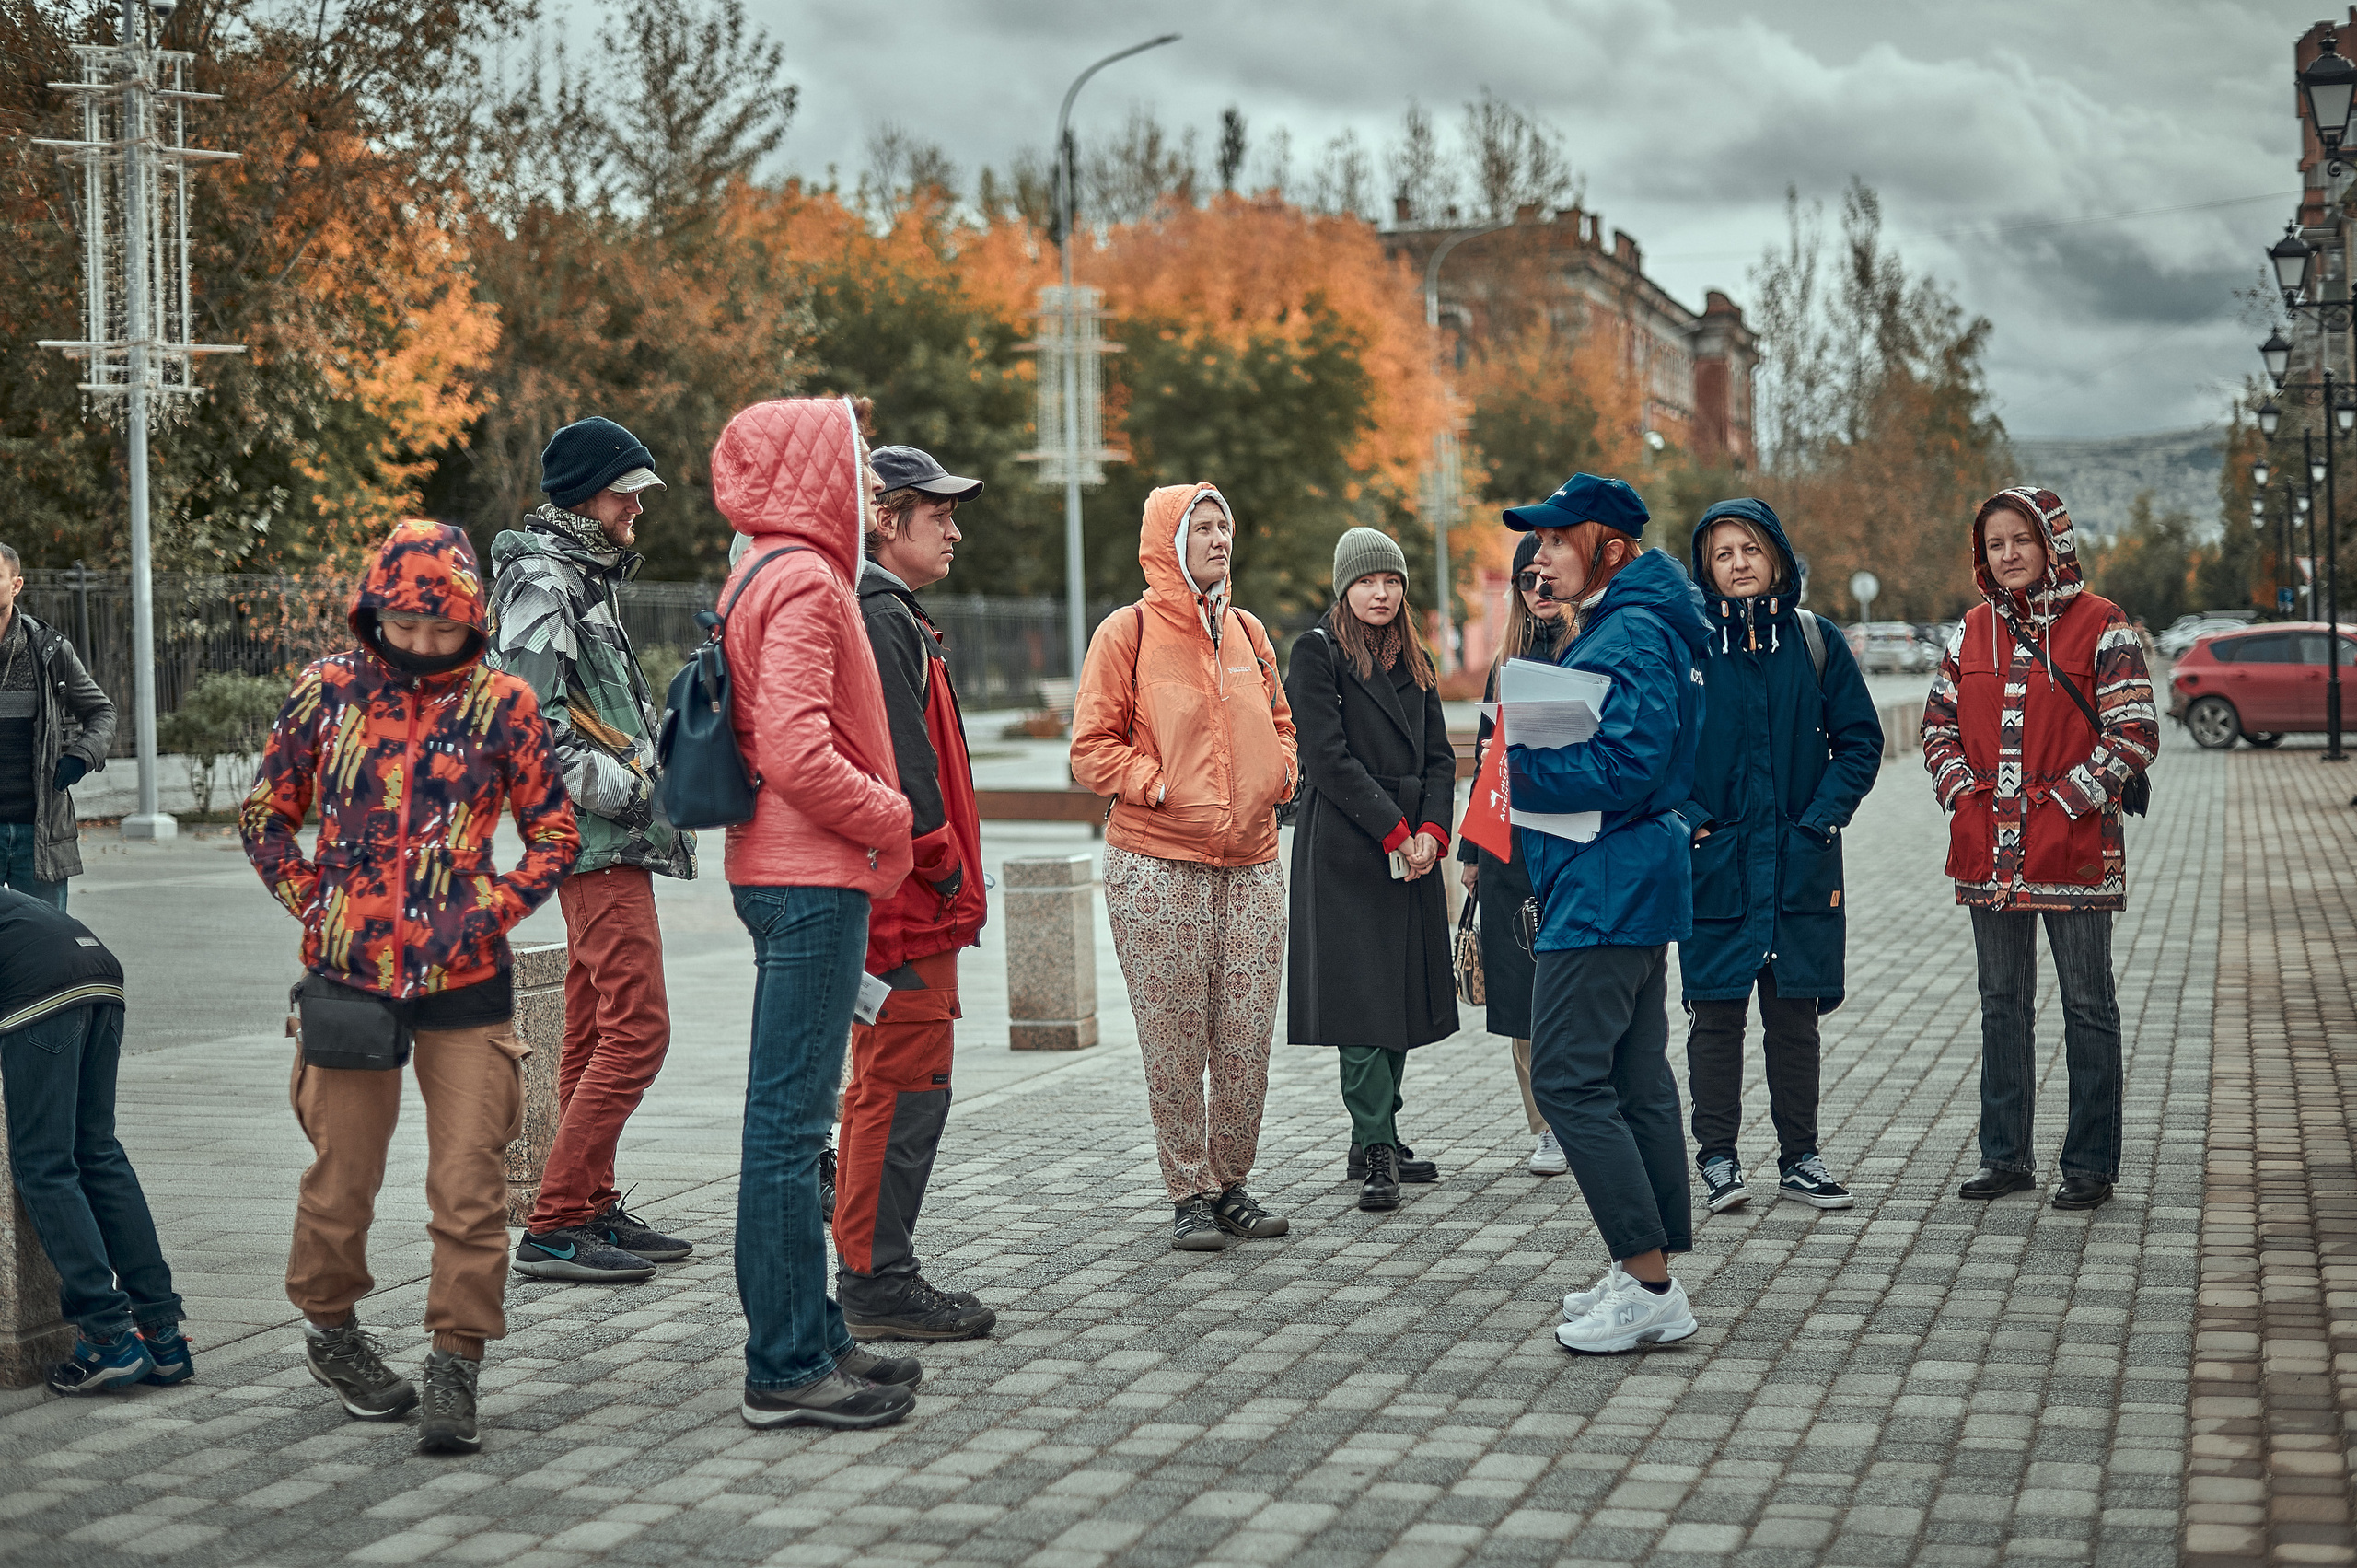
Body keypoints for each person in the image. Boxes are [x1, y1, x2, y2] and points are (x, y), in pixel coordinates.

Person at [241, 519, 582, 1455]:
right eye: (403, 623)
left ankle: (455, 1360)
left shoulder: (503, 703)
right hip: (349, 975)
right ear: (373, 610)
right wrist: (318, 906)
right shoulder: (326, 692)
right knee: (341, 1173)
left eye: (444, 627)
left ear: (473, 618)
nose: (423, 642)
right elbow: (265, 814)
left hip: (465, 977)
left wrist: (488, 910)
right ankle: (332, 1329)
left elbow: (555, 833)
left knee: (469, 1179)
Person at [709, 396, 923, 1431]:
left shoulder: (762, 564)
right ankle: (786, 1363)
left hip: (790, 873)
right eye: (857, 462)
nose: (870, 487)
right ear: (819, 470)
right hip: (809, 879)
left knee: (793, 1120)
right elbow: (796, 749)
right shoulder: (799, 578)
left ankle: (817, 1334)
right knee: (789, 1127)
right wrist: (893, 814)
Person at [1502, 474, 1710, 1355]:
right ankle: (1646, 1269)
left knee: (1566, 1080)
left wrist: (1519, 767)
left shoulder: (1629, 632)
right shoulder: (1626, 623)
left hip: (1607, 883)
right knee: (1632, 1079)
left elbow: (1629, 766)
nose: (1541, 554)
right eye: (1538, 541)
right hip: (1616, 876)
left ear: (1610, 549)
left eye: (1556, 539)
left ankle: (1651, 1281)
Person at [489, 417, 698, 1284]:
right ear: (585, 493)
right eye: (627, 492)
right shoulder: (544, 581)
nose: (639, 507)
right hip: (596, 839)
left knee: (591, 1032)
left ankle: (588, 1204)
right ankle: (555, 1224)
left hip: (608, 840)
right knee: (639, 1032)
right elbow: (524, 730)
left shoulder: (584, 573)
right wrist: (639, 793)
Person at [1071, 484, 1298, 1253]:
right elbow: (1090, 746)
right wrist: (1157, 784)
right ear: (1168, 539)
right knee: (1174, 1036)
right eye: (1201, 527)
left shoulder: (1248, 631)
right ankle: (1187, 1191)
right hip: (1157, 863)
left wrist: (1281, 775)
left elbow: (1280, 722)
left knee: (1245, 1035)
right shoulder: (1126, 633)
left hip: (1253, 863)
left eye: (1224, 525)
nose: (1217, 538)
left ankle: (1232, 1183)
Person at [1922, 485, 2155, 1212]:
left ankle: (2090, 1162)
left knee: (2088, 1003)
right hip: (1988, 853)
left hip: (2075, 849)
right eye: (1995, 544)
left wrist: (2062, 802)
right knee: (2002, 1001)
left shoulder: (2103, 625)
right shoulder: (1969, 631)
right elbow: (1938, 727)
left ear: (2051, 541)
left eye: (2020, 539)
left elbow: (2135, 733)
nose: (2009, 555)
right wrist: (1963, 795)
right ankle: (2005, 1156)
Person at [1678, 500, 1884, 1214]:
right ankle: (1717, 1157)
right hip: (1718, 865)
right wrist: (1695, 822)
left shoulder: (1814, 641)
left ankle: (1801, 1156)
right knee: (1716, 1017)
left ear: (1777, 558)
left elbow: (1860, 740)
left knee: (1794, 1017)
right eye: (1723, 552)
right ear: (1707, 566)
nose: (1738, 563)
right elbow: (1658, 747)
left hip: (1799, 862)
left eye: (1750, 549)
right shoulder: (1690, 645)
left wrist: (1820, 820)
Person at [839, 444, 993, 1342]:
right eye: (937, 514)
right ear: (885, 518)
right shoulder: (880, 612)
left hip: (899, 898)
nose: (954, 528)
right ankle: (876, 1280)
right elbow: (904, 764)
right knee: (905, 1085)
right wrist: (939, 864)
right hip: (905, 901)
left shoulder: (886, 609)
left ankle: (872, 1268)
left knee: (886, 1085)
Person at [1286, 527, 1459, 1213]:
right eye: (1366, 581)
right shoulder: (1317, 651)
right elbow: (1326, 758)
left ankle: (1375, 1131)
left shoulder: (1415, 659)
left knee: (1398, 994)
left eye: (1390, 581)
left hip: (1411, 849)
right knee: (1363, 1002)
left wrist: (1431, 834)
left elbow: (1442, 757)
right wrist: (1394, 829)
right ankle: (1377, 1146)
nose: (1380, 592)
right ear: (1344, 588)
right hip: (1349, 849)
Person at [0, 889, 188, 1395]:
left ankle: (107, 1336)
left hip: (38, 986)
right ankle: (163, 1336)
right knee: (97, 1152)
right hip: (97, 970)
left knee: (44, 1165)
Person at [1459, 532, 1571, 1176]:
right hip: (1511, 849)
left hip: (1577, 842)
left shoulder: (1595, 647)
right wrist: (1473, 851)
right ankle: (1547, 1125)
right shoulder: (1505, 663)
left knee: (1576, 985)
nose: (1539, 589)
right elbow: (1485, 762)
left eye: (1547, 576)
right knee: (1523, 993)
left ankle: (1590, 1110)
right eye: (1526, 580)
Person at [0, 544, 115, 909]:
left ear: (16, 585)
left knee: (42, 951)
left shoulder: (47, 649)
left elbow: (102, 712)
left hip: (40, 830)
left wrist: (82, 757)